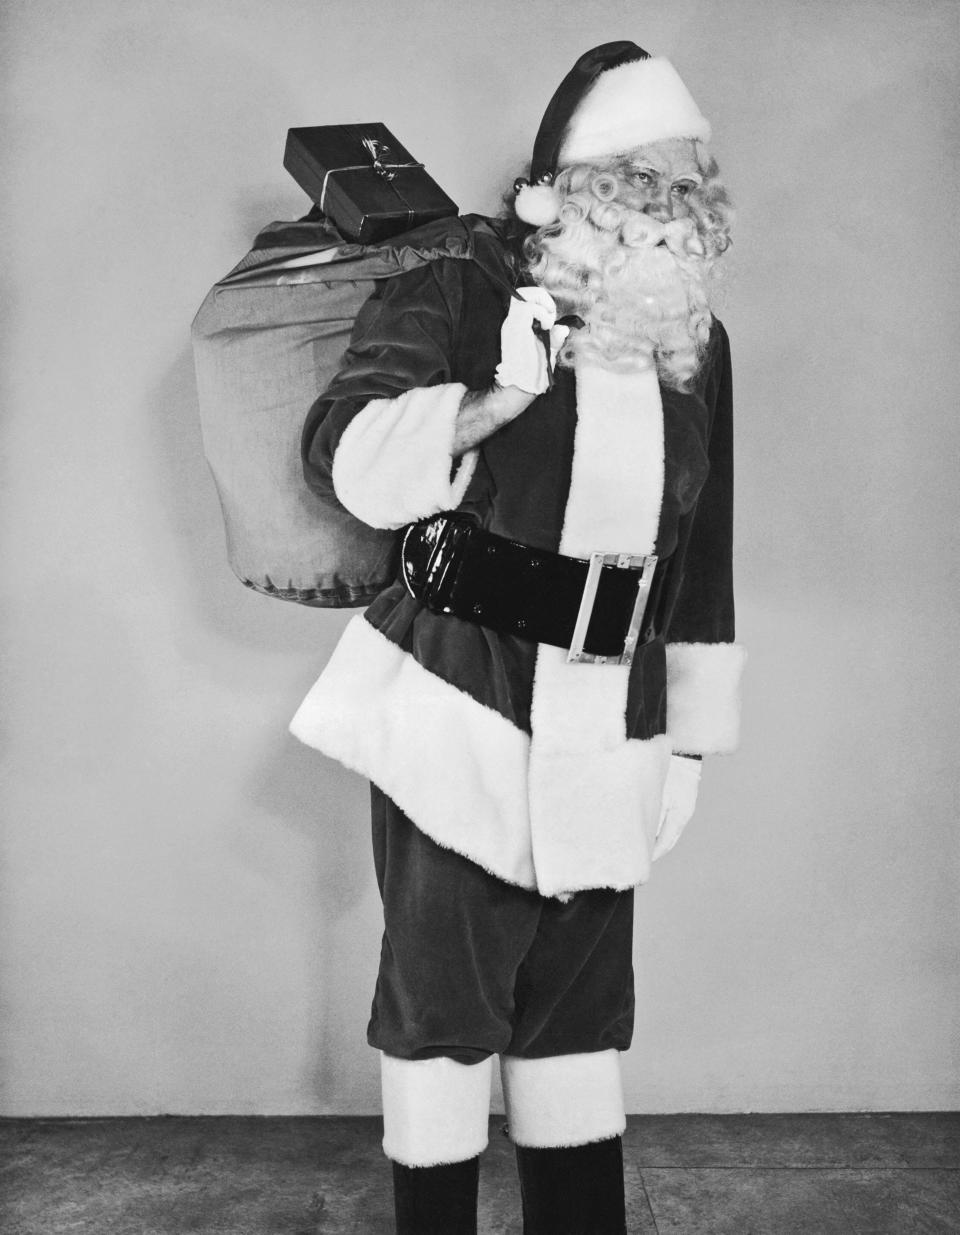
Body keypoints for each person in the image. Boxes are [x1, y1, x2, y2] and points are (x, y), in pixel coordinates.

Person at [290, 40, 744, 1235]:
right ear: (576, 182)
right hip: (463, 703)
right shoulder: (461, 281)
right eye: (652, 178)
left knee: (578, 1024)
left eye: (693, 180)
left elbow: (702, 562)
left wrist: (687, 744)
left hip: (614, 721)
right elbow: (342, 450)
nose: (679, 201)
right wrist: (497, 400)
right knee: (444, 1013)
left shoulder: (699, 343)